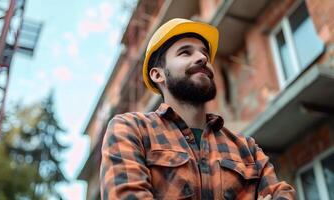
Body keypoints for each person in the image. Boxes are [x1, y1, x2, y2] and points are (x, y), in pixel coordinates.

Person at [100, 18, 295, 200]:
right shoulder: (130, 130)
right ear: (158, 75)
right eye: (185, 52)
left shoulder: (247, 148)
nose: (202, 58)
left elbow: (282, 194)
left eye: (204, 53)